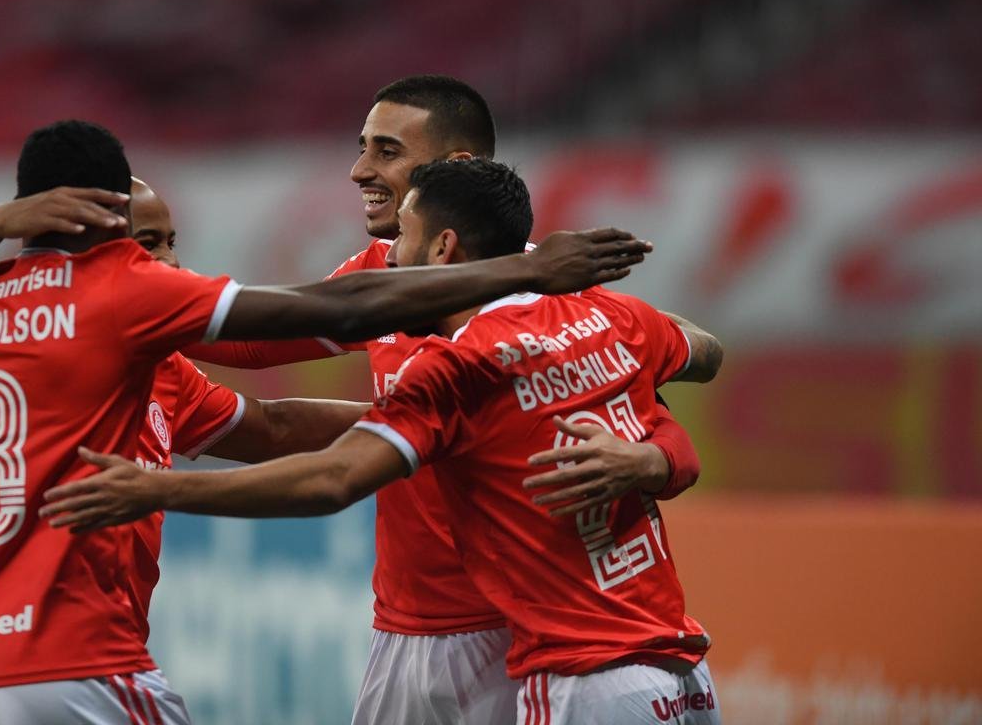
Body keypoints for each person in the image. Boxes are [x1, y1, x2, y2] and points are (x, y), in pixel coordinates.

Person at [0, 120, 653, 725]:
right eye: (147, 235)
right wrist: (526, 271)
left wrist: (438, 429)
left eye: (168, 240)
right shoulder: (121, 294)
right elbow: (337, 313)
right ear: (96, 214)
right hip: (78, 667)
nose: (164, 258)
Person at [41, 158, 724, 724]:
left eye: (401, 235)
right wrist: (652, 456)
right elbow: (698, 359)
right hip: (685, 678)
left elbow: (331, 481)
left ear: (442, 249)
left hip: (582, 684)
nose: (387, 253)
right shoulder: (615, 316)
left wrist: (156, 489)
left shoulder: (457, 370)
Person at [179, 75, 707, 724]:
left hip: (536, 633)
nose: (360, 170)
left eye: (387, 151)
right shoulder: (386, 275)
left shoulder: (551, 286)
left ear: (455, 169)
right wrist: (130, 317)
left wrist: (651, 452)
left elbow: (680, 366)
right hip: (429, 632)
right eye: (363, 147)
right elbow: (252, 346)